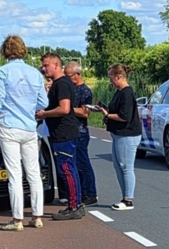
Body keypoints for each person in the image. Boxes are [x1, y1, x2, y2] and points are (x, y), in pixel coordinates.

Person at [0, 35, 48, 231]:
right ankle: (37, 216)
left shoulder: (2, 72)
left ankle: (17, 220)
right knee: (34, 173)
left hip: (9, 127)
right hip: (29, 128)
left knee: (14, 174)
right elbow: (44, 103)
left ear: (5, 51)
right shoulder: (35, 74)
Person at [36, 53, 83, 220]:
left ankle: (74, 205)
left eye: (46, 65)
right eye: (42, 65)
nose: (43, 68)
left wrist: (44, 114)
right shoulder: (59, 83)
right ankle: (75, 203)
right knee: (69, 169)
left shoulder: (62, 84)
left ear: (56, 65)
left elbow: (64, 108)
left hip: (64, 134)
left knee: (67, 170)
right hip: (62, 133)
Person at [97, 63, 142, 211]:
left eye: (111, 77)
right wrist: (106, 110)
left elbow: (125, 116)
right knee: (118, 166)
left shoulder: (127, 93)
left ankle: (128, 199)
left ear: (118, 76)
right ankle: (124, 197)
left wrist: (107, 115)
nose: (110, 80)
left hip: (127, 134)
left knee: (126, 167)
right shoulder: (119, 92)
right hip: (118, 134)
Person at [64, 61, 98, 206]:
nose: (67, 79)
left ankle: (90, 193)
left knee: (83, 163)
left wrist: (66, 108)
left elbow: (85, 113)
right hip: (72, 130)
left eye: (69, 76)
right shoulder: (71, 89)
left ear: (78, 74)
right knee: (75, 164)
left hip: (80, 131)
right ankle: (81, 192)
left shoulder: (84, 91)